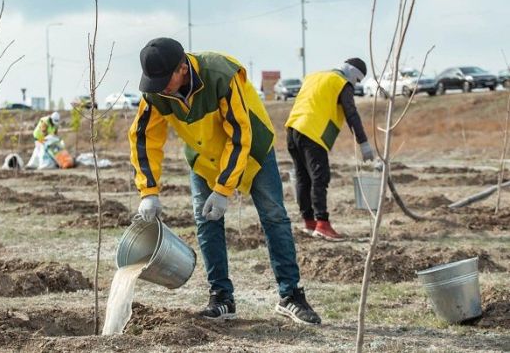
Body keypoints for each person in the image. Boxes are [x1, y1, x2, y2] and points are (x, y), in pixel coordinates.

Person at [128, 37, 321, 325]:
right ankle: (221, 297)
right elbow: (144, 140)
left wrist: (223, 190)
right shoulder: (156, 92)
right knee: (206, 220)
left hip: (252, 148)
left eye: (164, 80)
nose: (159, 88)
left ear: (182, 68)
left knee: (273, 216)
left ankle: (290, 295)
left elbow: (239, 135)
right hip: (205, 157)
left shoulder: (220, 74)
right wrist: (149, 191)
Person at [284, 58, 374, 242]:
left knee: (303, 178)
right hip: (312, 133)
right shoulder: (341, 83)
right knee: (320, 177)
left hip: (293, 130)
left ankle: (309, 222)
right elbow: (351, 113)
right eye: (357, 81)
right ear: (353, 74)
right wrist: (363, 143)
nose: (355, 85)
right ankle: (322, 224)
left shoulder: (314, 76)